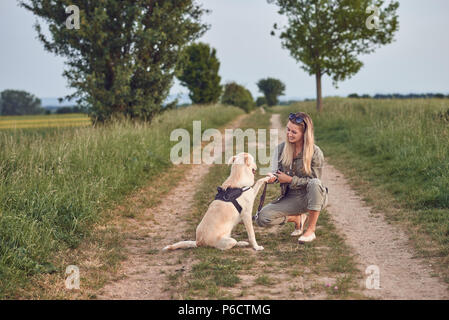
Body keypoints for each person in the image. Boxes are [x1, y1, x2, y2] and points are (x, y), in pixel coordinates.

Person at [255, 112, 329, 243]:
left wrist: (290, 180)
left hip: (312, 196)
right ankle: (297, 218)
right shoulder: (280, 149)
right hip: (291, 197)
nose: (289, 134)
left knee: (315, 183)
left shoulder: (315, 152)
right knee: (262, 218)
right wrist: (273, 177)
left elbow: (314, 181)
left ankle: (311, 230)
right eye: (288, 130)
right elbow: (276, 173)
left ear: (304, 134)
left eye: (294, 132)